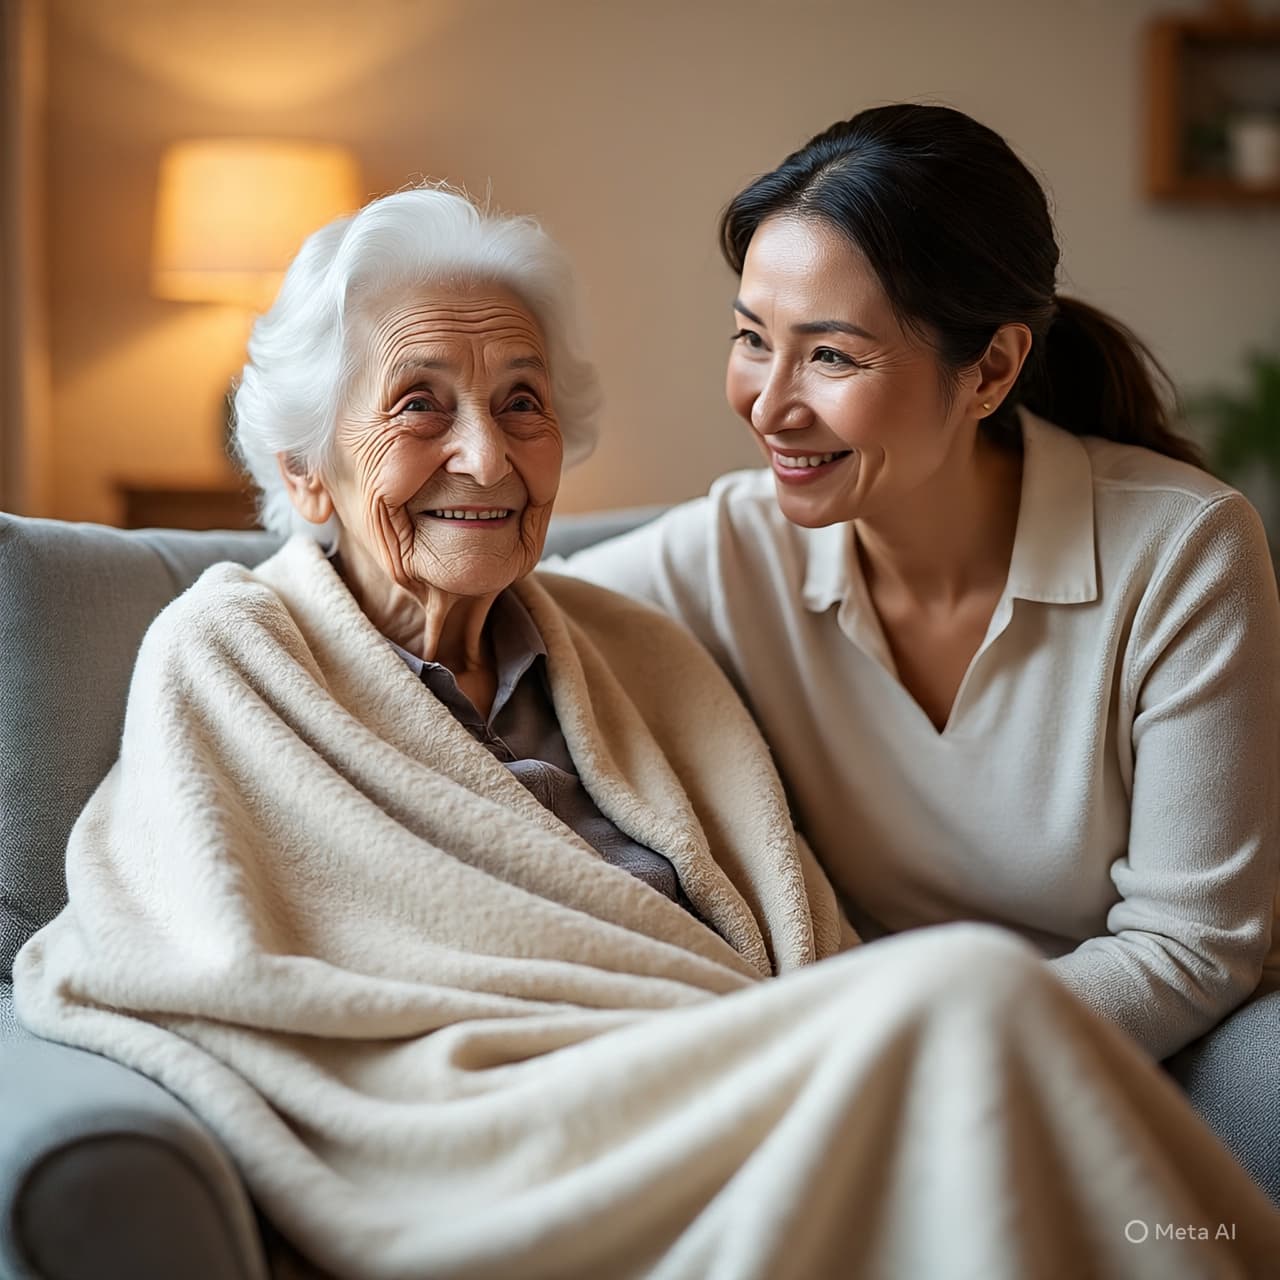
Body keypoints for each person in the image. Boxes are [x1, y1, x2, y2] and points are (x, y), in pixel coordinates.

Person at [14, 187, 1280, 1278]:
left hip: (750, 1091)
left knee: (969, 1038)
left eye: (521, 403)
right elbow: (196, 941)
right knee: (972, 991)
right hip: (512, 1129)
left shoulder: (633, 646)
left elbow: (794, 948)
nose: (485, 455)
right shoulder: (232, 648)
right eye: (416, 403)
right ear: (303, 468)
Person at [554, 104, 1280, 1194]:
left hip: (1108, 1069)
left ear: (987, 371)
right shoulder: (732, 550)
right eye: (751, 338)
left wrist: (894, 1056)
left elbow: (1190, 947)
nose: (771, 404)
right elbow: (492, 610)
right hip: (861, 1077)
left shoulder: (1181, 550)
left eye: (831, 355)